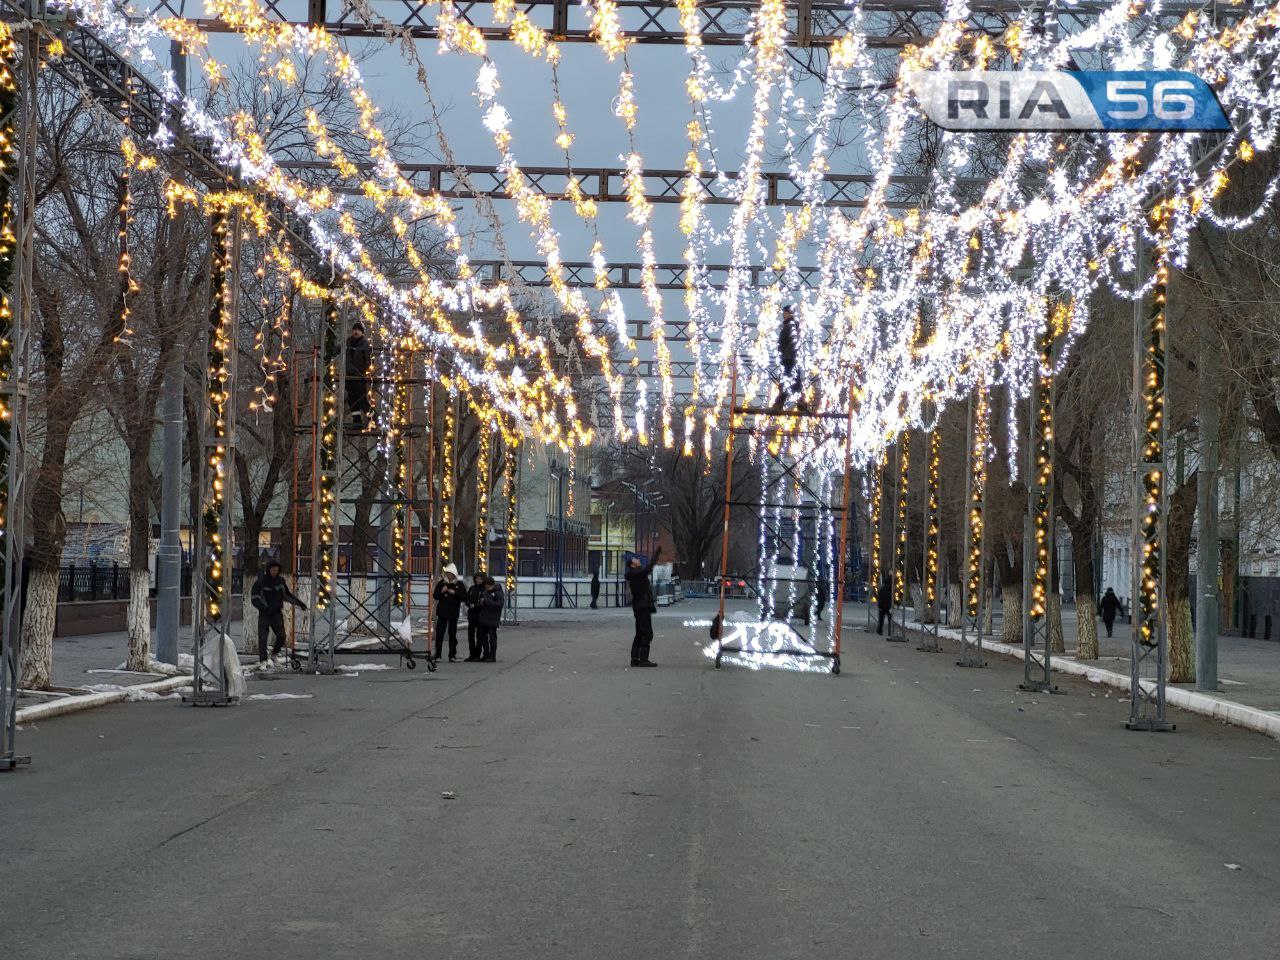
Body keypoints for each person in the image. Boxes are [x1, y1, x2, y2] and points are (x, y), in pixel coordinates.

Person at [250, 559, 306, 664]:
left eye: (277, 570)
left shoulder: (280, 581)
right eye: (273, 570)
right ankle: (263, 660)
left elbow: (287, 595)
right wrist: (264, 607)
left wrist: (299, 603)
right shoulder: (261, 582)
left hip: (276, 613)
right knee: (263, 638)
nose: (275, 572)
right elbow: (255, 598)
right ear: (268, 570)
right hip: (265, 613)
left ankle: (274, 653)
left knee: (282, 636)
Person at [625, 546, 662, 667]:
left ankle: (635, 658)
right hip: (642, 606)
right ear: (632, 565)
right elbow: (648, 569)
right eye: (635, 559)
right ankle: (643, 659)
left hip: (639, 606)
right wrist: (655, 556)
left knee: (640, 633)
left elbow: (646, 570)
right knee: (647, 633)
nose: (637, 559)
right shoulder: (636, 574)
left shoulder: (636, 574)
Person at [770, 305, 806, 413]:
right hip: (790, 357)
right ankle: (798, 402)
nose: (783, 314)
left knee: (787, 381)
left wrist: (787, 354)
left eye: (785, 312)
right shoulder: (791, 325)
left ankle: (781, 403)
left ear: (788, 313)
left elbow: (791, 342)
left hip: (789, 358)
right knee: (794, 382)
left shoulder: (790, 325)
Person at [432, 563, 466, 662]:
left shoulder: (459, 585)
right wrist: (442, 592)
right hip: (442, 612)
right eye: (447, 573)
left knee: (452, 634)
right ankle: (437, 654)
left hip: (453, 612)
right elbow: (435, 596)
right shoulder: (441, 583)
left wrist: (455, 593)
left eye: (450, 574)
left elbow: (464, 596)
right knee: (440, 634)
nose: (448, 575)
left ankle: (452, 655)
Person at [345, 321, 372, 428]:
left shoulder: (364, 343)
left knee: (362, 400)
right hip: (349, 376)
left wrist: (365, 372)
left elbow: (368, 359)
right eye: (355, 330)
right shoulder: (348, 342)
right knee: (352, 400)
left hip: (360, 376)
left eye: (358, 330)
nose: (356, 332)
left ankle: (373, 418)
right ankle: (357, 420)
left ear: (362, 332)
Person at [476, 575, 505, 662]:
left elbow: (499, 605)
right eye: (485, 587)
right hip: (484, 618)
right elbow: (481, 604)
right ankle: (486, 655)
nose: (486, 588)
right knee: (482, 638)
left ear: (492, 585)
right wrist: (480, 602)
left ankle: (492, 656)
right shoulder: (485, 592)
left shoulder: (498, 593)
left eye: (488, 586)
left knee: (492, 638)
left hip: (492, 619)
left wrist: (486, 601)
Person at [464, 572, 486, 662]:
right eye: (477, 578)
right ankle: (472, 654)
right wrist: (469, 604)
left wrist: (476, 606)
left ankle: (477, 654)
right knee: (470, 635)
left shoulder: (484, 589)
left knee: (479, 636)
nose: (478, 580)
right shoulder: (472, 588)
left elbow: (484, 602)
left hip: (480, 615)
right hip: (472, 615)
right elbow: (467, 599)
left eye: (480, 579)